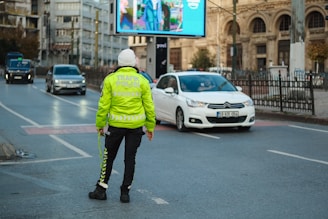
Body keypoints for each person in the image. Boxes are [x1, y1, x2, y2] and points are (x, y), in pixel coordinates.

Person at [88, 49, 156, 203]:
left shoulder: (110, 79)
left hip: (115, 126)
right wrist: (150, 127)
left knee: (108, 157)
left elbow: (103, 105)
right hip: (136, 127)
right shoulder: (142, 81)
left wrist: (100, 124)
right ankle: (125, 193)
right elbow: (149, 107)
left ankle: (101, 190)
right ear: (133, 63)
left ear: (119, 62)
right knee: (130, 159)